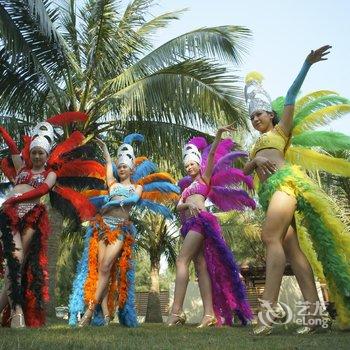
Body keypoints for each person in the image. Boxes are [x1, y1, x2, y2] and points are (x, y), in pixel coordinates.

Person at [244, 45, 350, 334]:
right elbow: (243, 174)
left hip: (286, 184)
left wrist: (306, 64)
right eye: (252, 117)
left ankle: (268, 309)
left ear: (271, 115)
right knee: (293, 252)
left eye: (261, 114)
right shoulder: (254, 145)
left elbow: (291, 95)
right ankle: (315, 317)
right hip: (270, 196)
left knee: (269, 237)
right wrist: (254, 160)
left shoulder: (281, 131)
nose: (256, 120)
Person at [69, 134, 180, 327]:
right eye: (119, 166)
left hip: (120, 230)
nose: (121, 169)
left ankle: (89, 312)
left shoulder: (136, 187)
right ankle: (104, 314)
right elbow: (108, 168)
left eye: (124, 166)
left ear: (132, 168)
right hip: (102, 226)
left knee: (105, 268)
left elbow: (132, 200)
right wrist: (105, 149)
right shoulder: (113, 184)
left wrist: (114, 201)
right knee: (103, 268)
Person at [168, 125, 256, 327]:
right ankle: (209, 314)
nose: (189, 167)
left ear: (199, 164)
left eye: (192, 164)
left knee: (182, 261)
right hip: (188, 225)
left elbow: (213, 153)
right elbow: (178, 206)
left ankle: (176, 311)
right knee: (200, 266)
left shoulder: (204, 179)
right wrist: (187, 203)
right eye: (187, 165)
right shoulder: (186, 188)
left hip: (201, 222)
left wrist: (217, 135)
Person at [0, 125, 56, 328]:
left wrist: (17, 197)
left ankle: (10, 312)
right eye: (34, 152)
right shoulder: (21, 167)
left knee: (19, 264)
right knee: (15, 259)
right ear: (30, 153)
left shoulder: (51, 174)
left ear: (47, 155)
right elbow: (13, 146)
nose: (37, 156)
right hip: (10, 214)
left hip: (32, 215)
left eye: (41, 153)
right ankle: (17, 312)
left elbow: (42, 190)